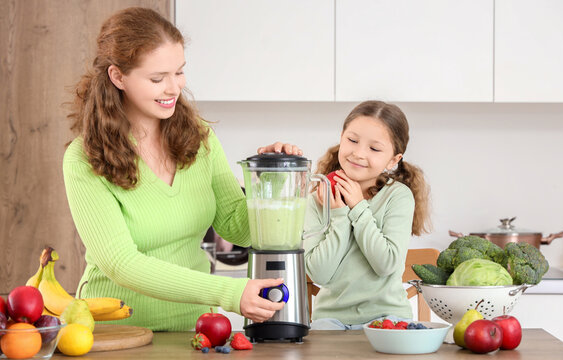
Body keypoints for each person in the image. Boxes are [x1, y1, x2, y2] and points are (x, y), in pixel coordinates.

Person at [63, 7, 300, 331]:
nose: (174, 88)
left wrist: (273, 177)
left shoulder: (199, 138)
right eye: (157, 78)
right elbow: (121, 264)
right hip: (114, 334)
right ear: (118, 77)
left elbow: (237, 227)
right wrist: (230, 292)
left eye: (179, 72)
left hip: (197, 330)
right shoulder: (84, 157)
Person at [303, 100, 431, 330]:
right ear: (341, 137)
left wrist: (358, 207)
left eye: (374, 149)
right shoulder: (319, 198)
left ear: (393, 160)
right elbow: (320, 274)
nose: (359, 153)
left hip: (388, 318)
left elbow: (386, 264)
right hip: (331, 320)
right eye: (352, 140)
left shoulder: (398, 197)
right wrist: (340, 214)